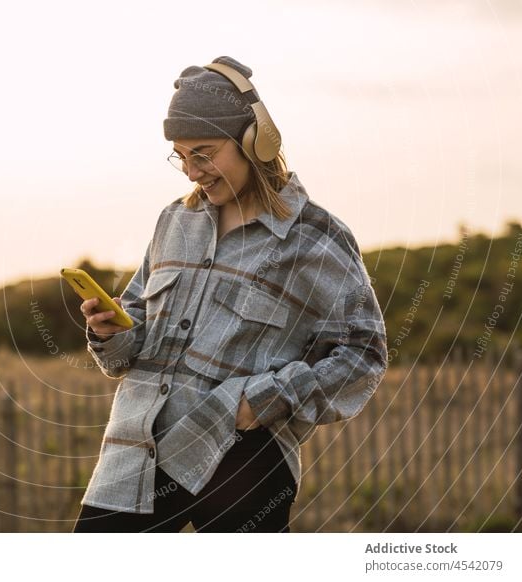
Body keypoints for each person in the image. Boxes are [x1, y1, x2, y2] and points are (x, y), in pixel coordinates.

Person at [71, 56, 388, 533]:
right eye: (181, 156)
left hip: (242, 461)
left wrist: (266, 401)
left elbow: (365, 354)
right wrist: (114, 332)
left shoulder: (316, 238)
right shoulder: (173, 221)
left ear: (255, 142)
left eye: (204, 152)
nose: (192, 171)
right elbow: (135, 328)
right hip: (134, 457)